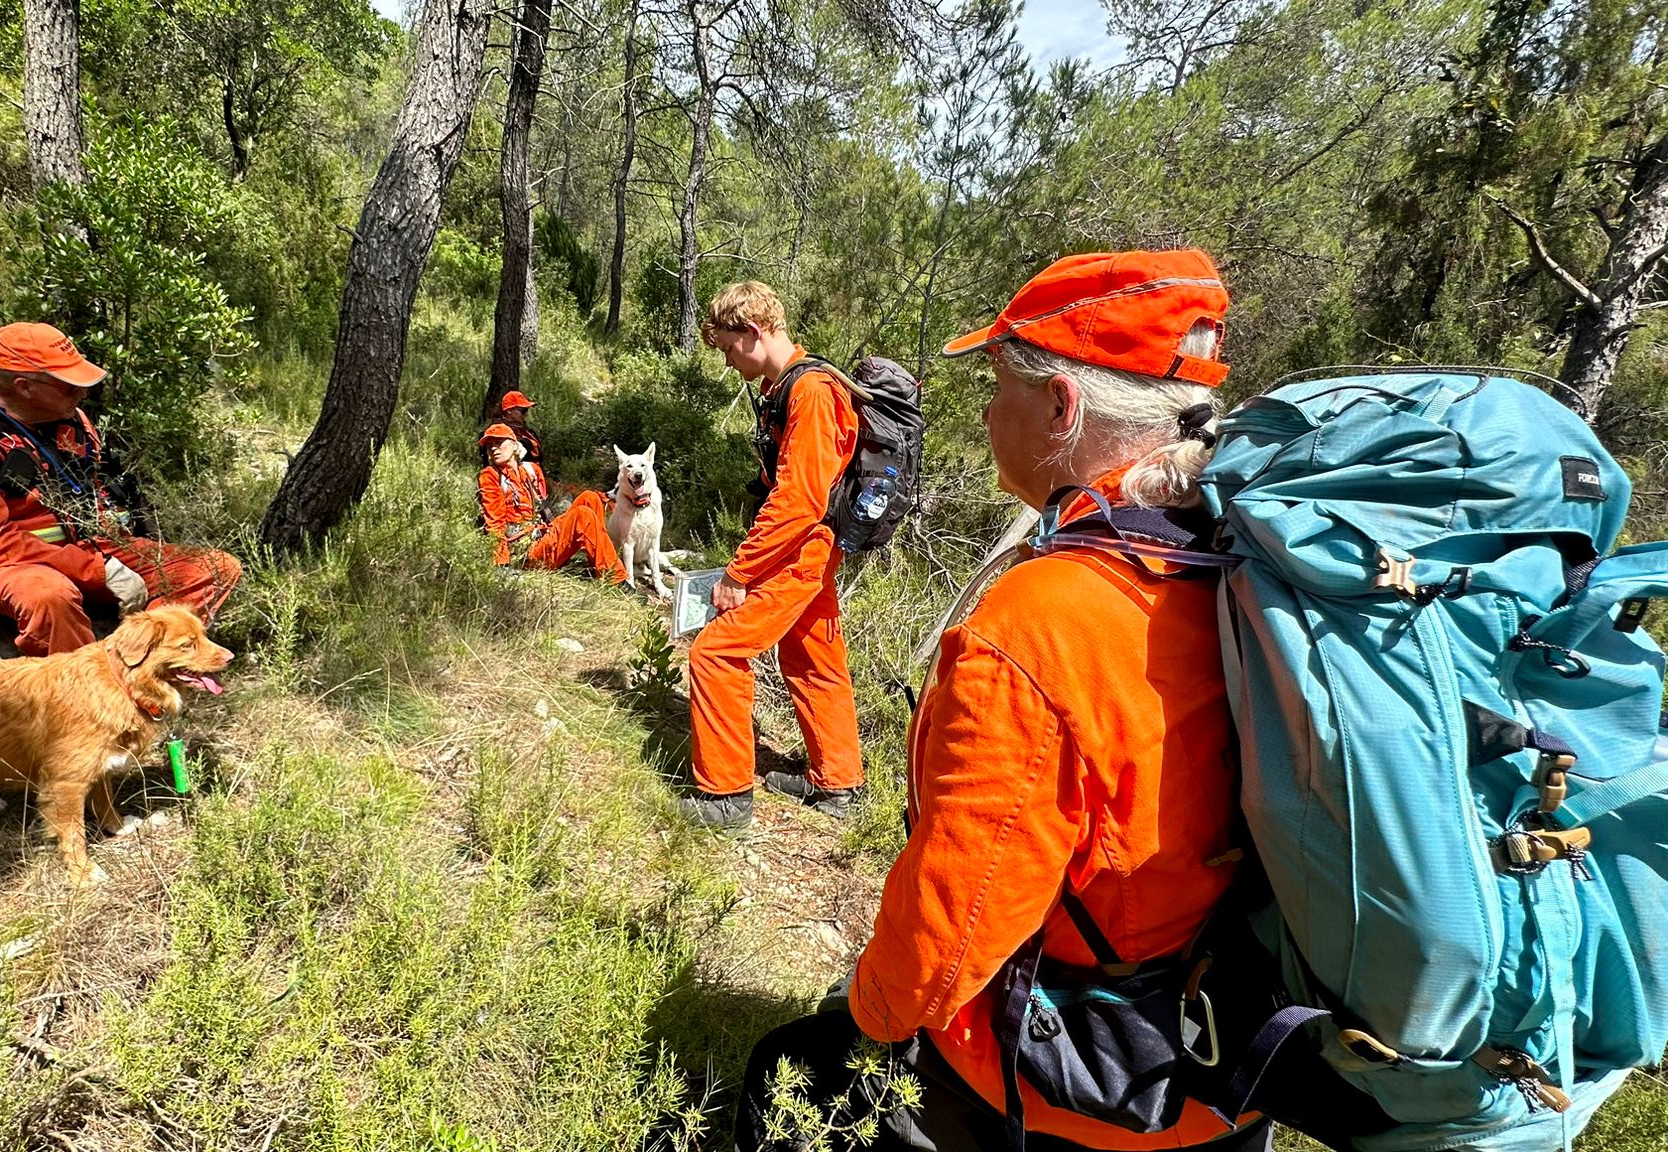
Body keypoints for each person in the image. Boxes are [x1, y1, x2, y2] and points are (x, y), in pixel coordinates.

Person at [734, 251, 1278, 1151]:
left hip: (1082, 1090)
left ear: (1061, 406)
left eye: (998, 383)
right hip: (1237, 1076)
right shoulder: (1235, 564)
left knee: (782, 1075)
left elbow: (946, 942)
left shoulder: (1039, 626)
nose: (987, 411)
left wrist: (867, 1008)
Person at [0, 322, 241, 656]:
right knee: (50, 598)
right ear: (25, 387)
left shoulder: (72, 418)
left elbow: (96, 490)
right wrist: (97, 571)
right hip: (4, 567)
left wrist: (120, 548)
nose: (81, 394)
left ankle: (140, 664)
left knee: (214, 568)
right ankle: (79, 693)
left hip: (87, 548)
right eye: (69, 387)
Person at [680, 282, 863, 830]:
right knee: (812, 656)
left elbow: (799, 498)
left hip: (799, 547)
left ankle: (726, 796)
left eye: (731, 348)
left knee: (715, 652)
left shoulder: (810, 392)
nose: (729, 360)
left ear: (755, 332)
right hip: (812, 545)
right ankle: (837, 784)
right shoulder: (791, 385)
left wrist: (741, 571)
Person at [476, 423, 628, 581]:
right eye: (489, 446)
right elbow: (495, 523)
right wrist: (501, 564)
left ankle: (599, 564)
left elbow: (542, 506)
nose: (493, 448)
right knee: (582, 515)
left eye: (498, 443)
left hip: (541, 536)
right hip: (526, 553)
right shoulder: (490, 476)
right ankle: (616, 579)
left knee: (590, 498)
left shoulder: (529, 470)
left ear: (514, 445)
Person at [490, 389, 544, 464]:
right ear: (509, 411)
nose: (526, 414)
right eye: (523, 411)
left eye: (527, 410)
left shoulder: (526, 430)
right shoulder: (498, 431)